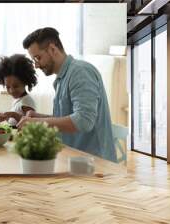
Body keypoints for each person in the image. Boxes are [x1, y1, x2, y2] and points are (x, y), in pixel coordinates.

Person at [18, 27, 117, 162]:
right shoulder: (61, 79)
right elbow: (68, 118)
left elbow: (83, 121)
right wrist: (38, 117)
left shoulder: (80, 72)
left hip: (95, 164)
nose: (36, 65)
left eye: (38, 58)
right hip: (74, 159)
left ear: (53, 49)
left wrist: (36, 122)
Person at [0, 54, 38, 126]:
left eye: (16, 86)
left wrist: (12, 114)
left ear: (25, 82)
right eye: (8, 87)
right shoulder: (18, 100)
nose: (11, 91)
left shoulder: (27, 101)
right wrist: (6, 116)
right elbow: (14, 122)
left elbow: (30, 124)